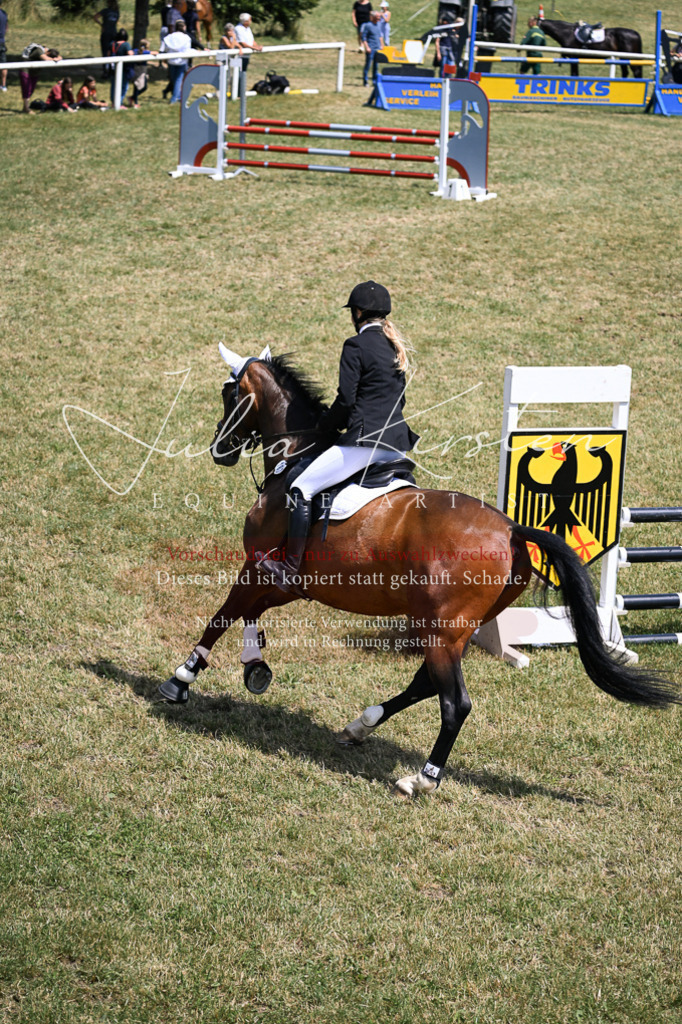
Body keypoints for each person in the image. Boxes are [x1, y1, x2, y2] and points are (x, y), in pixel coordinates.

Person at [258, 281, 419, 595]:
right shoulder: (392, 346)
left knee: (300, 485)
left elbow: (346, 401)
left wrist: (325, 427)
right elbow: (396, 400)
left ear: (357, 313)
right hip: (396, 444)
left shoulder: (356, 346)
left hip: (365, 443)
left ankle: (290, 570)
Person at [19, 45, 61, 114]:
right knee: (26, 90)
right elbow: (46, 59)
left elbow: (59, 56)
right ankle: (27, 109)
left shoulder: (46, 50)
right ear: (48, 53)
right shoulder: (38, 50)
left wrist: (58, 58)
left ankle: (25, 107)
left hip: (34, 72)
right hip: (25, 70)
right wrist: (54, 59)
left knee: (30, 90)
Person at [160, 18, 192, 103]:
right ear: (184, 27)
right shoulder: (186, 38)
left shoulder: (169, 37)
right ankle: (175, 98)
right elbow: (187, 50)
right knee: (178, 80)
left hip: (171, 61)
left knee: (174, 80)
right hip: (182, 61)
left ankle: (178, 97)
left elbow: (165, 48)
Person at [93, 0, 119, 77]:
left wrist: (102, 24)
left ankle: (105, 71)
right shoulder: (117, 12)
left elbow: (95, 17)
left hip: (106, 33)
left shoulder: (105, 11)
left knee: (105, 51)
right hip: (114, 33)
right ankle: (112, 69)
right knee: (113, 51)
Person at [109, 28, 133, 106]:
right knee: (124, 86)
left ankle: (113, 101)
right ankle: (119, 102)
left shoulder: (112, 44)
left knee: (113, 85)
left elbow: (108, 54)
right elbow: (130, 54)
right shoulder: (126, 44)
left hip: (113, 68)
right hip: (123, 69)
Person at [0, 0, 8, 92]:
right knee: (3, 64)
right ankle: (3, 85)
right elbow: (6, 27)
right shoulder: (4, 13)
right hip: (2, 41)